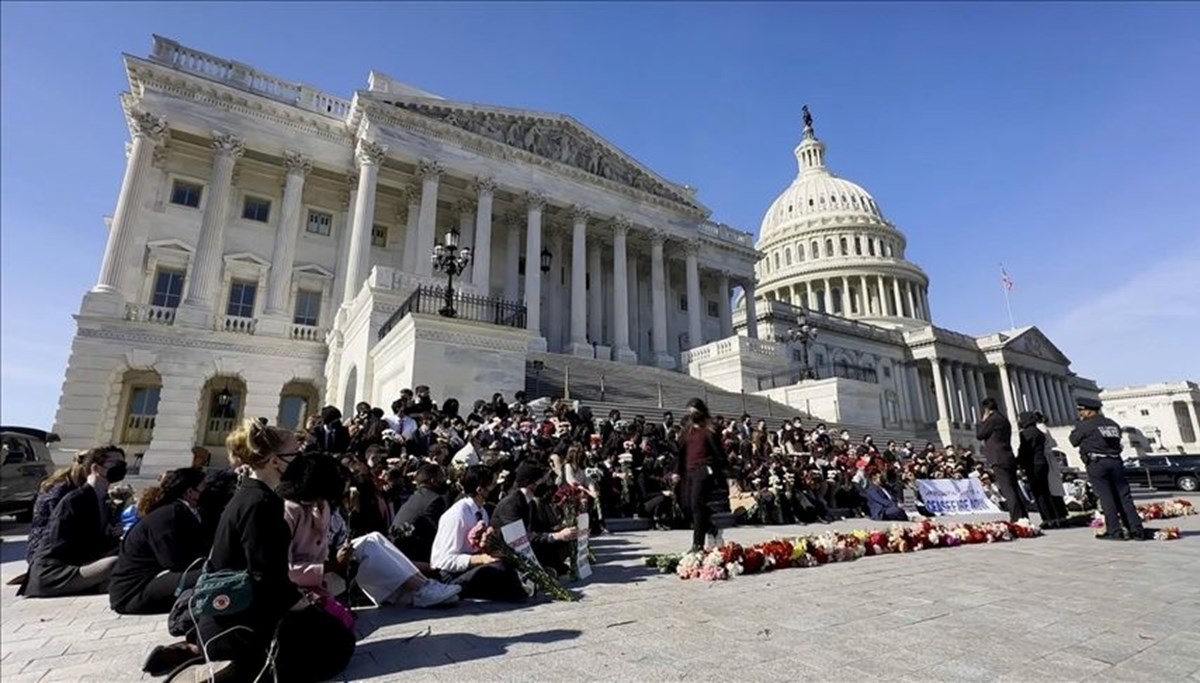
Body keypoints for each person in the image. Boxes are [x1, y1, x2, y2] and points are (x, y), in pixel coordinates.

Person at [141, 421, 355, 682]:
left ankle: (197, 650)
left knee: (329, 628)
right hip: (240, 618)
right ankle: (233, 669)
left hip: (227, 611)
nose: (300, 459)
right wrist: (303, 604)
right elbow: (266, 577)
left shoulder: (250, 495)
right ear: (276, 461)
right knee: (338, 644)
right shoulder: (262, 505)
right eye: (295, 454)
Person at [280, 454, 460, 608]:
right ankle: (420, 590)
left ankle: (421, 587)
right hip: (304, 583)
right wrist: (333, 564)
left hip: (330, 569)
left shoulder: (324, 507)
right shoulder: (288, 511)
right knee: (369, 545)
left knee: (373, 539)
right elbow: (282, 569)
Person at [24, 447, 126, 598]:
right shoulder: (76, 499)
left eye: (123, 464)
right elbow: (63, 543)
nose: (121, 468)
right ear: (96, 468)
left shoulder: (104, 498)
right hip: (56, 572)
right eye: (115, 463)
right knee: (114, 564)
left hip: (80, 564)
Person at [109, 468, 209, 614]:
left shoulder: (186, 512)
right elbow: (172, 560)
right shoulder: (169, 514)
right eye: (204, 487)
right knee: (210, 576)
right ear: (190, 492)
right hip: (133, 594)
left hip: (149, 584)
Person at [430, 464, 527, 601]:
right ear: (480, 490)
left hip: (470, 568)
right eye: (492, 485)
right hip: (452, 576)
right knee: (496, 570)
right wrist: (479, 559)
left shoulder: (481, 511)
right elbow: (441, 561)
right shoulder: (457, 515)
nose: (496, 489)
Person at [1069, 397, 1147, 541]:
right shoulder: (1113, 424)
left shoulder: (1086, 425)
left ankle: (1114, 531)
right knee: (1124, 496)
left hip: (1097, 463)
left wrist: (1078, 426)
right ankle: (1136, 529)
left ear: (1089, 411)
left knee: (1106, 497)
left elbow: (1073, 441)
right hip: (1115, 462)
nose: (1080, 413)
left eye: (1081, 410)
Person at [491, 462, 578, 575]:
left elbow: (537, 529)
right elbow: (518, 537)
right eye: (541, 481)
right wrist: (556, 536)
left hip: (524, 543)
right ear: (531, 484)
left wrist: (561, 530)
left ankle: (551, 568)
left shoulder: (528, 502)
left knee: (559, 542)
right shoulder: (511, 504)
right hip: (508, 548)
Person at [675, 398, 727, 553]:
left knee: (697, 504)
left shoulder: (710, 429)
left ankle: (697, 545)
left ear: (701, 411)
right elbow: (681, 453)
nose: (691, 414)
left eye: (694, 411)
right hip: (687, 471)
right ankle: (711, 528)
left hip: (704, 470)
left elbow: (719, 453)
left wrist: (724, 472)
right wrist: (677, 472)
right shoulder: (687, 431)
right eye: (689, 411)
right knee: (686, 505)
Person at [975, 397, 1027, 521]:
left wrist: (983, 421)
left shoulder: (992, 420)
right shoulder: (1004, 419)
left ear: (987, 409)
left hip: (998, 457)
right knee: (1014, 488)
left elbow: (980, 435)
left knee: (1007, 488)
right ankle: (1023, 516)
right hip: (1008, 456)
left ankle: (1016, 518)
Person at [390, 463, 451, 562]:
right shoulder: (434, 500)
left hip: (399, 553)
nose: (445, 481)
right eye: (442, 477)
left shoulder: (416, 497)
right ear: (433, 481)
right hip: (414, 558)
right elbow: (438, 534)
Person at [1017, 411, 1061, 529]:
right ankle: (1055, 518)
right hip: (1043, 463)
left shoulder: (1025, 433)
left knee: (1038, 493)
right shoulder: (1039, 432)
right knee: (1046, 491)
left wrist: (1018, 462)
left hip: (1033, 465)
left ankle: (1046, 519)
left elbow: (1024, 450)